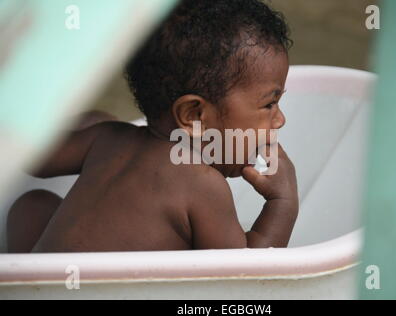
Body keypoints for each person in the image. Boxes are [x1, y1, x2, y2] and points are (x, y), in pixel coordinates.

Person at [7, 0, 299, 252]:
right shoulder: (202, 184)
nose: (280, 119)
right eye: (269, 105)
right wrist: (282, 203)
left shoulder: (106, 138)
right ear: (194, 115)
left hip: (40, 284)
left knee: (31, 205)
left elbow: (34, 160)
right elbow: (242, 281)